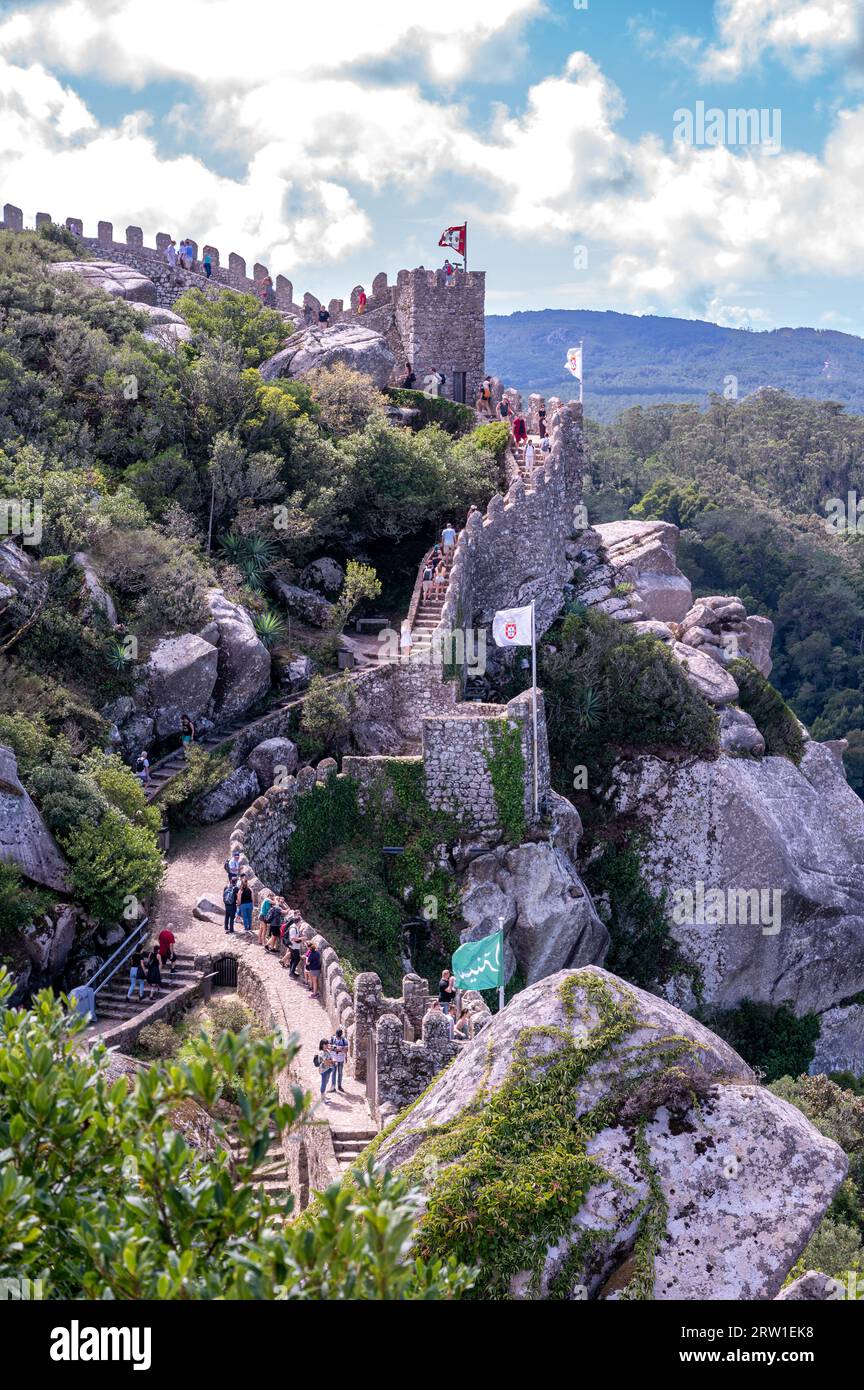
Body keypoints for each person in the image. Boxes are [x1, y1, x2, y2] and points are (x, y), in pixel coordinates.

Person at [329, 1028, 348, 1092]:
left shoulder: (344, 1040)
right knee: (333, 1073)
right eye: (337, 1036)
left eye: (339, 1036)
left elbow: (346, 1050)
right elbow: (329, 1047)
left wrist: (337, 1049)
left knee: (340, 1073)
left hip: (340, 1059)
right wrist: (338, 1049)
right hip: (334, 1059)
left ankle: (339, 1086)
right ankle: (333, 1087)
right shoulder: (332, 1039)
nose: (338, 1037)